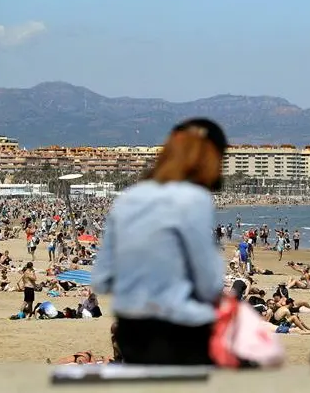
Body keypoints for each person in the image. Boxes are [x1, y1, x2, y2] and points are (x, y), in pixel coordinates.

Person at [92, 118, 227, 366]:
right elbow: (210, 284)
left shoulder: (128, 198)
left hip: (130, 332)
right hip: (182, 333)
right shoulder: (194, 198)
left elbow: (101, 279)